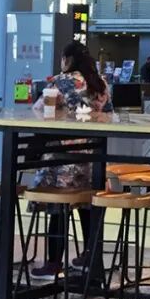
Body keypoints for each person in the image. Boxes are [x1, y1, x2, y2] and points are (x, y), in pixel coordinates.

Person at [30, 41, 112, 278]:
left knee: (58, 204)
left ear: (67, 60)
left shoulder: (60, 82)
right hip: (93, 160)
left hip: (63, 159)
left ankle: (53, 263)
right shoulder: (100, 84)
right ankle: (90, 257)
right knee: (87, 202)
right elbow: (109, 115)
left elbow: (38, 111)